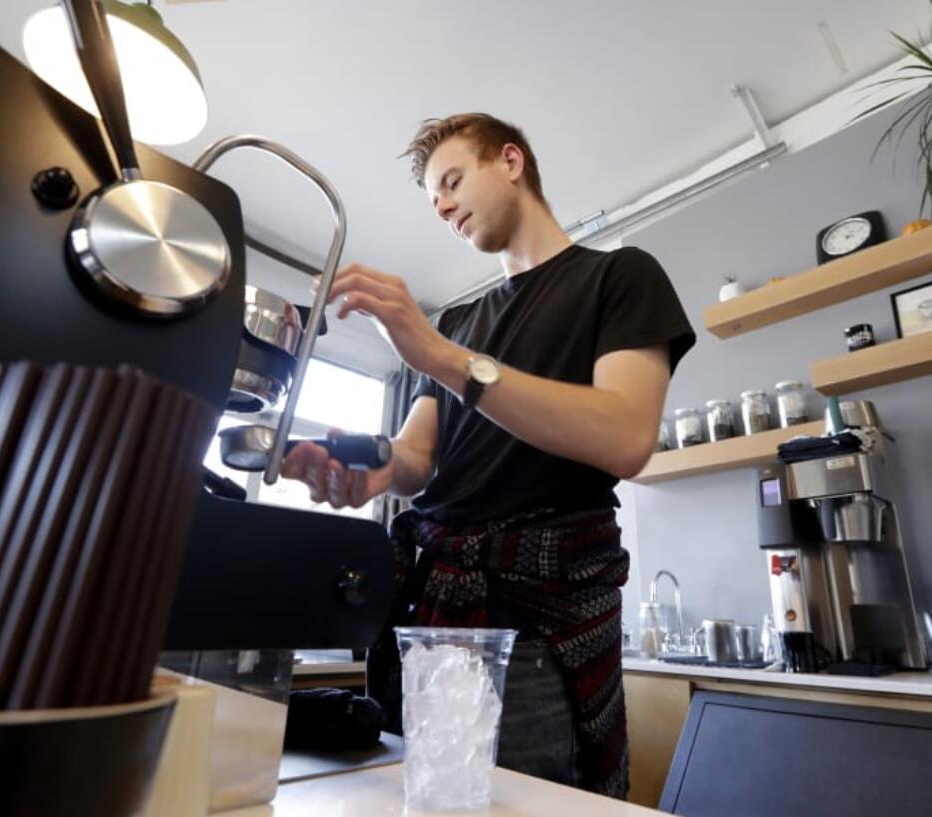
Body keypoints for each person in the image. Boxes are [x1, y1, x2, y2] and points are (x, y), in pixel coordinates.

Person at [280, 113, 694, 797]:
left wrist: (441, 356)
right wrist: (365, 469)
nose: (442, 205)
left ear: (510, 161)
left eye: (451, 180)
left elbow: (625, 436)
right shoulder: (459, 323)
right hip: (429, 616)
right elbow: (414, 458)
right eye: (433, 197)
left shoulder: (619, 277)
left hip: (533, 630)